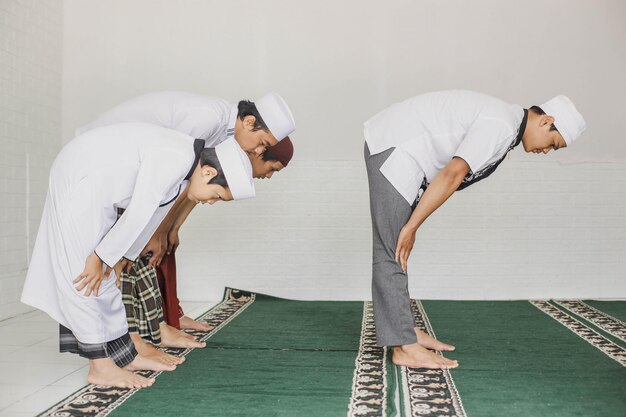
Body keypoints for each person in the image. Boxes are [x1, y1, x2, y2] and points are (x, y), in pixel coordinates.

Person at [363, 91, 586, 369]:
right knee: (393, 244)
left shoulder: (508, 125)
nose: (547, 151)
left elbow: (451, 178)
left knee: (399, 241)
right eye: (553, 143)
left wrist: (412, 224)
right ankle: (404, 347)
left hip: (402, 148)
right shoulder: (502, 125)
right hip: (395, 146)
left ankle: (404, 330)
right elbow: (452, 174)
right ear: (546, 121)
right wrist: (412, 225)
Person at [21, 123, 254, 388]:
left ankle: (125, 356)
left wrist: (125, 257)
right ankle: (100, 367)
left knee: (107, 276)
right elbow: (139, 212)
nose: (211, 202)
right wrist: (102, 256)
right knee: (84, 275)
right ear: (209, 172)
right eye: (217, 196)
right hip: (80, 178)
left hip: (98, 188)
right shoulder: (176, 158)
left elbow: (151, 215)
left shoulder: (184, 168)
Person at [76, 91, 296, 331]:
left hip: (128, 173)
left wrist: (171, 228)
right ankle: (132, 337)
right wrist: (156, 232)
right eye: (262, 143)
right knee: (129, 247)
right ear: (249, 121)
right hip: (100, 156)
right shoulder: (208, 119)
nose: (257, 151)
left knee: (142, 245)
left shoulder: (226, 133)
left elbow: (191, 182)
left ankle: (153, 329)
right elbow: (175, 177)